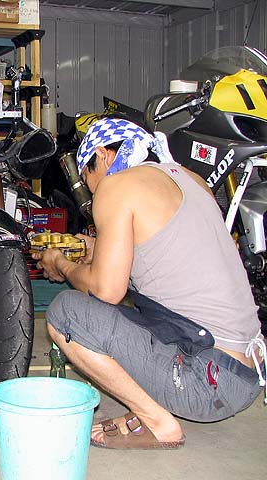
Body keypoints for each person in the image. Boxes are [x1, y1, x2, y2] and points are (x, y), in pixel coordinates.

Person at [33, 118, 266, 449]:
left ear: (103, 155)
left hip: (207, 382)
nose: (92, 190)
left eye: (88, 177)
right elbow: (165, 255)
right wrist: (92, 247)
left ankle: (157, 421)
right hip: (248, 375)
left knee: (66, 313)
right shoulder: (188, 179)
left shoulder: (116, 186)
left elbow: (106, 290)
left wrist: (62, 265)